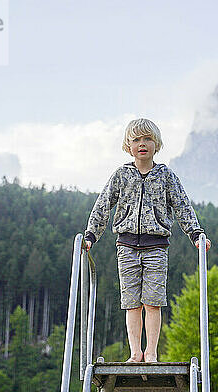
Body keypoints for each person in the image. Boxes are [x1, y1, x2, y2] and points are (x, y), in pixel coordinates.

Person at [84, 118, 211, 363]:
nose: (142, 144)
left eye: (147, 139)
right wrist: (91, 235)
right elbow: (102, 206)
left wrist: (196, 233)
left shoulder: (165, 176)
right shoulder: (121, 175)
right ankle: (135, 353)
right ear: (128, 146)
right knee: (132, 303)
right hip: (126, 246)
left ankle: (151, 352)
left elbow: (183, 206)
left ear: (156, 144)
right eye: (136, 140)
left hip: (156, 247)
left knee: (153, 302)